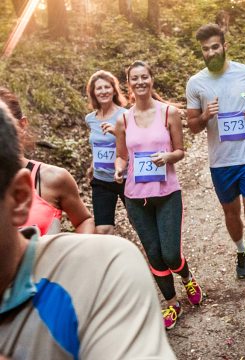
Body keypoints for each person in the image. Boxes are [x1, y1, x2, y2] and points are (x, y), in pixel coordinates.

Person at [0, 102, 176, 359]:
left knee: (167, 252)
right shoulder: (90, 119)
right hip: (104, 181)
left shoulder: (107, 266)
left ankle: (177, 285)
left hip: (143, 185)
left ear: (19, 198)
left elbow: (84, 218)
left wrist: (79, 260)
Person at [186, 24, 245, 312]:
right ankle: (240, 250)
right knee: (230, 213)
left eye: (214, 46)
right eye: (205, 49)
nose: (210, 52)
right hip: (220, 162)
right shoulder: (195, 83)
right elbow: (192, 126)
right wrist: (204, 116)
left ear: (224, 45)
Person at [114, 60, 204, 330]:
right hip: (135, 196)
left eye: (144, 77)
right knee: (153, 254)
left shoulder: (169, 113)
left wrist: (167, 157)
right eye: (134, 78)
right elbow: (121, 155)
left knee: (171, 254)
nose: (140, 82)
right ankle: (172, 302)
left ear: (151, 80)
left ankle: (186, 275)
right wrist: (119, 170)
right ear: (128, 83)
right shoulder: (123, 119)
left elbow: (180, 151)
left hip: (166, 193)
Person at [0, 87, 94, 235]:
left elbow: (84, 220)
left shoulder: (52, 178)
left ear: (22, 125)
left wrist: (75, 255)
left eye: (4, 125)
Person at [85, 70, 128, 235]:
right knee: (102, 229)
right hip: (101, 179)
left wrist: (117, 133)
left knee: (139, 222)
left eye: (107, 87)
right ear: (93, 93)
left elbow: (135, 145)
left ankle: (153, 259)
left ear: (114, 90)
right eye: (99, 88)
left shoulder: (125, 115)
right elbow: (97, 145)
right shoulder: (90, 119)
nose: (103, 91)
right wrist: (92, 165)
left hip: (124, 178)